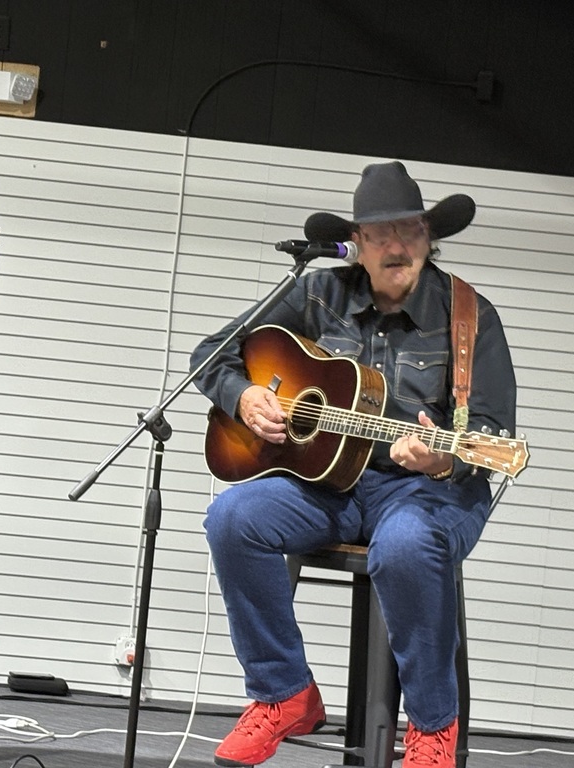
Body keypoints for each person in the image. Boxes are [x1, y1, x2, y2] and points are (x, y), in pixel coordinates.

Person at [190, 161, 516, 768]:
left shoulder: (470, 316)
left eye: (411, 231)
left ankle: (431, 726)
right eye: (381, 234)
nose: (397, 246)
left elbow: (493, 432)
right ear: (357, 244)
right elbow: (211, 354)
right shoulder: (318, 292)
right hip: (330, 481)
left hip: (426, 490)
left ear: (429, 237)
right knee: (232, 519)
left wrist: (442, 458)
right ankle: (283, 692)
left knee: (406, 546)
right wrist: (244, 396)